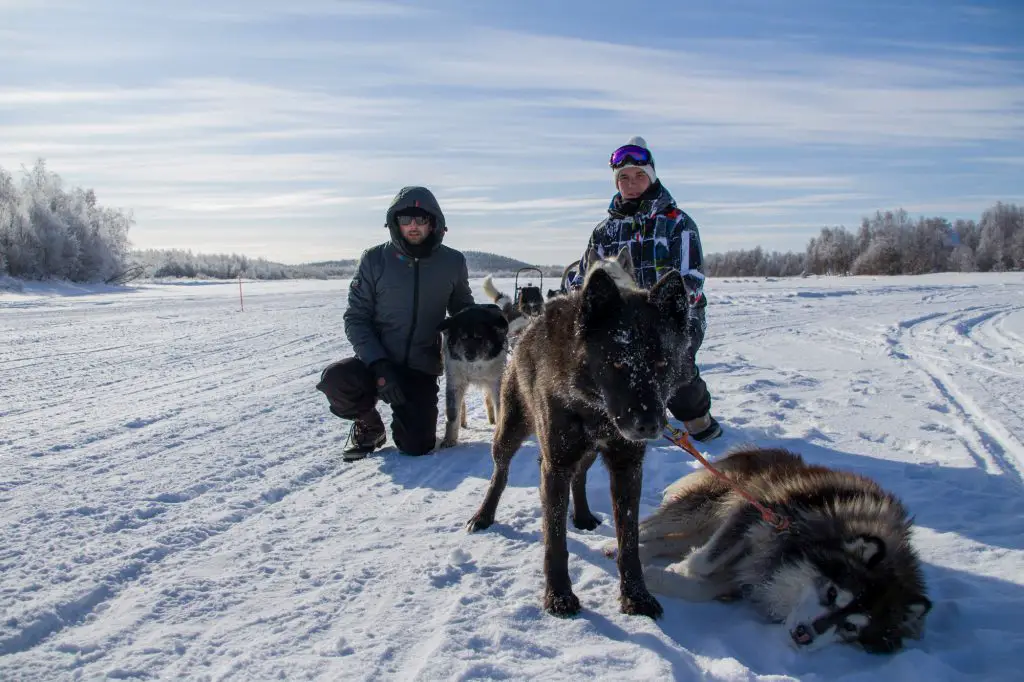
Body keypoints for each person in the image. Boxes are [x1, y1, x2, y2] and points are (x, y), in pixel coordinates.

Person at [568, 136, 722, 442]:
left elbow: (690, 279)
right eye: (623, 178)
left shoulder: (678, 223)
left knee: (675, 367)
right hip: (620, 322)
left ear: (651, 177)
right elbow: (584, 277)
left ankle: (697, 417)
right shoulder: (604, 231)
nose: (631, 183)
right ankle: (622, 419)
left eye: (639, 176)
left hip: (673, 315)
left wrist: (658, 312)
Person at [316, 186, 475, 461]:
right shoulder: (374, 260)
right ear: (395, 222)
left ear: (433, 222)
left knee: (416, 445)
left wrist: (483, 319)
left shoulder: (453, 262)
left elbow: (463, 309)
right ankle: (370, 426)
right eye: (405, 219)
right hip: (378, 361)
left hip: (419, 367)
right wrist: (378, 364)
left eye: (420, 219)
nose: (413, 226)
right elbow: (356, 318)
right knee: (336, 380)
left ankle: (409, 420)